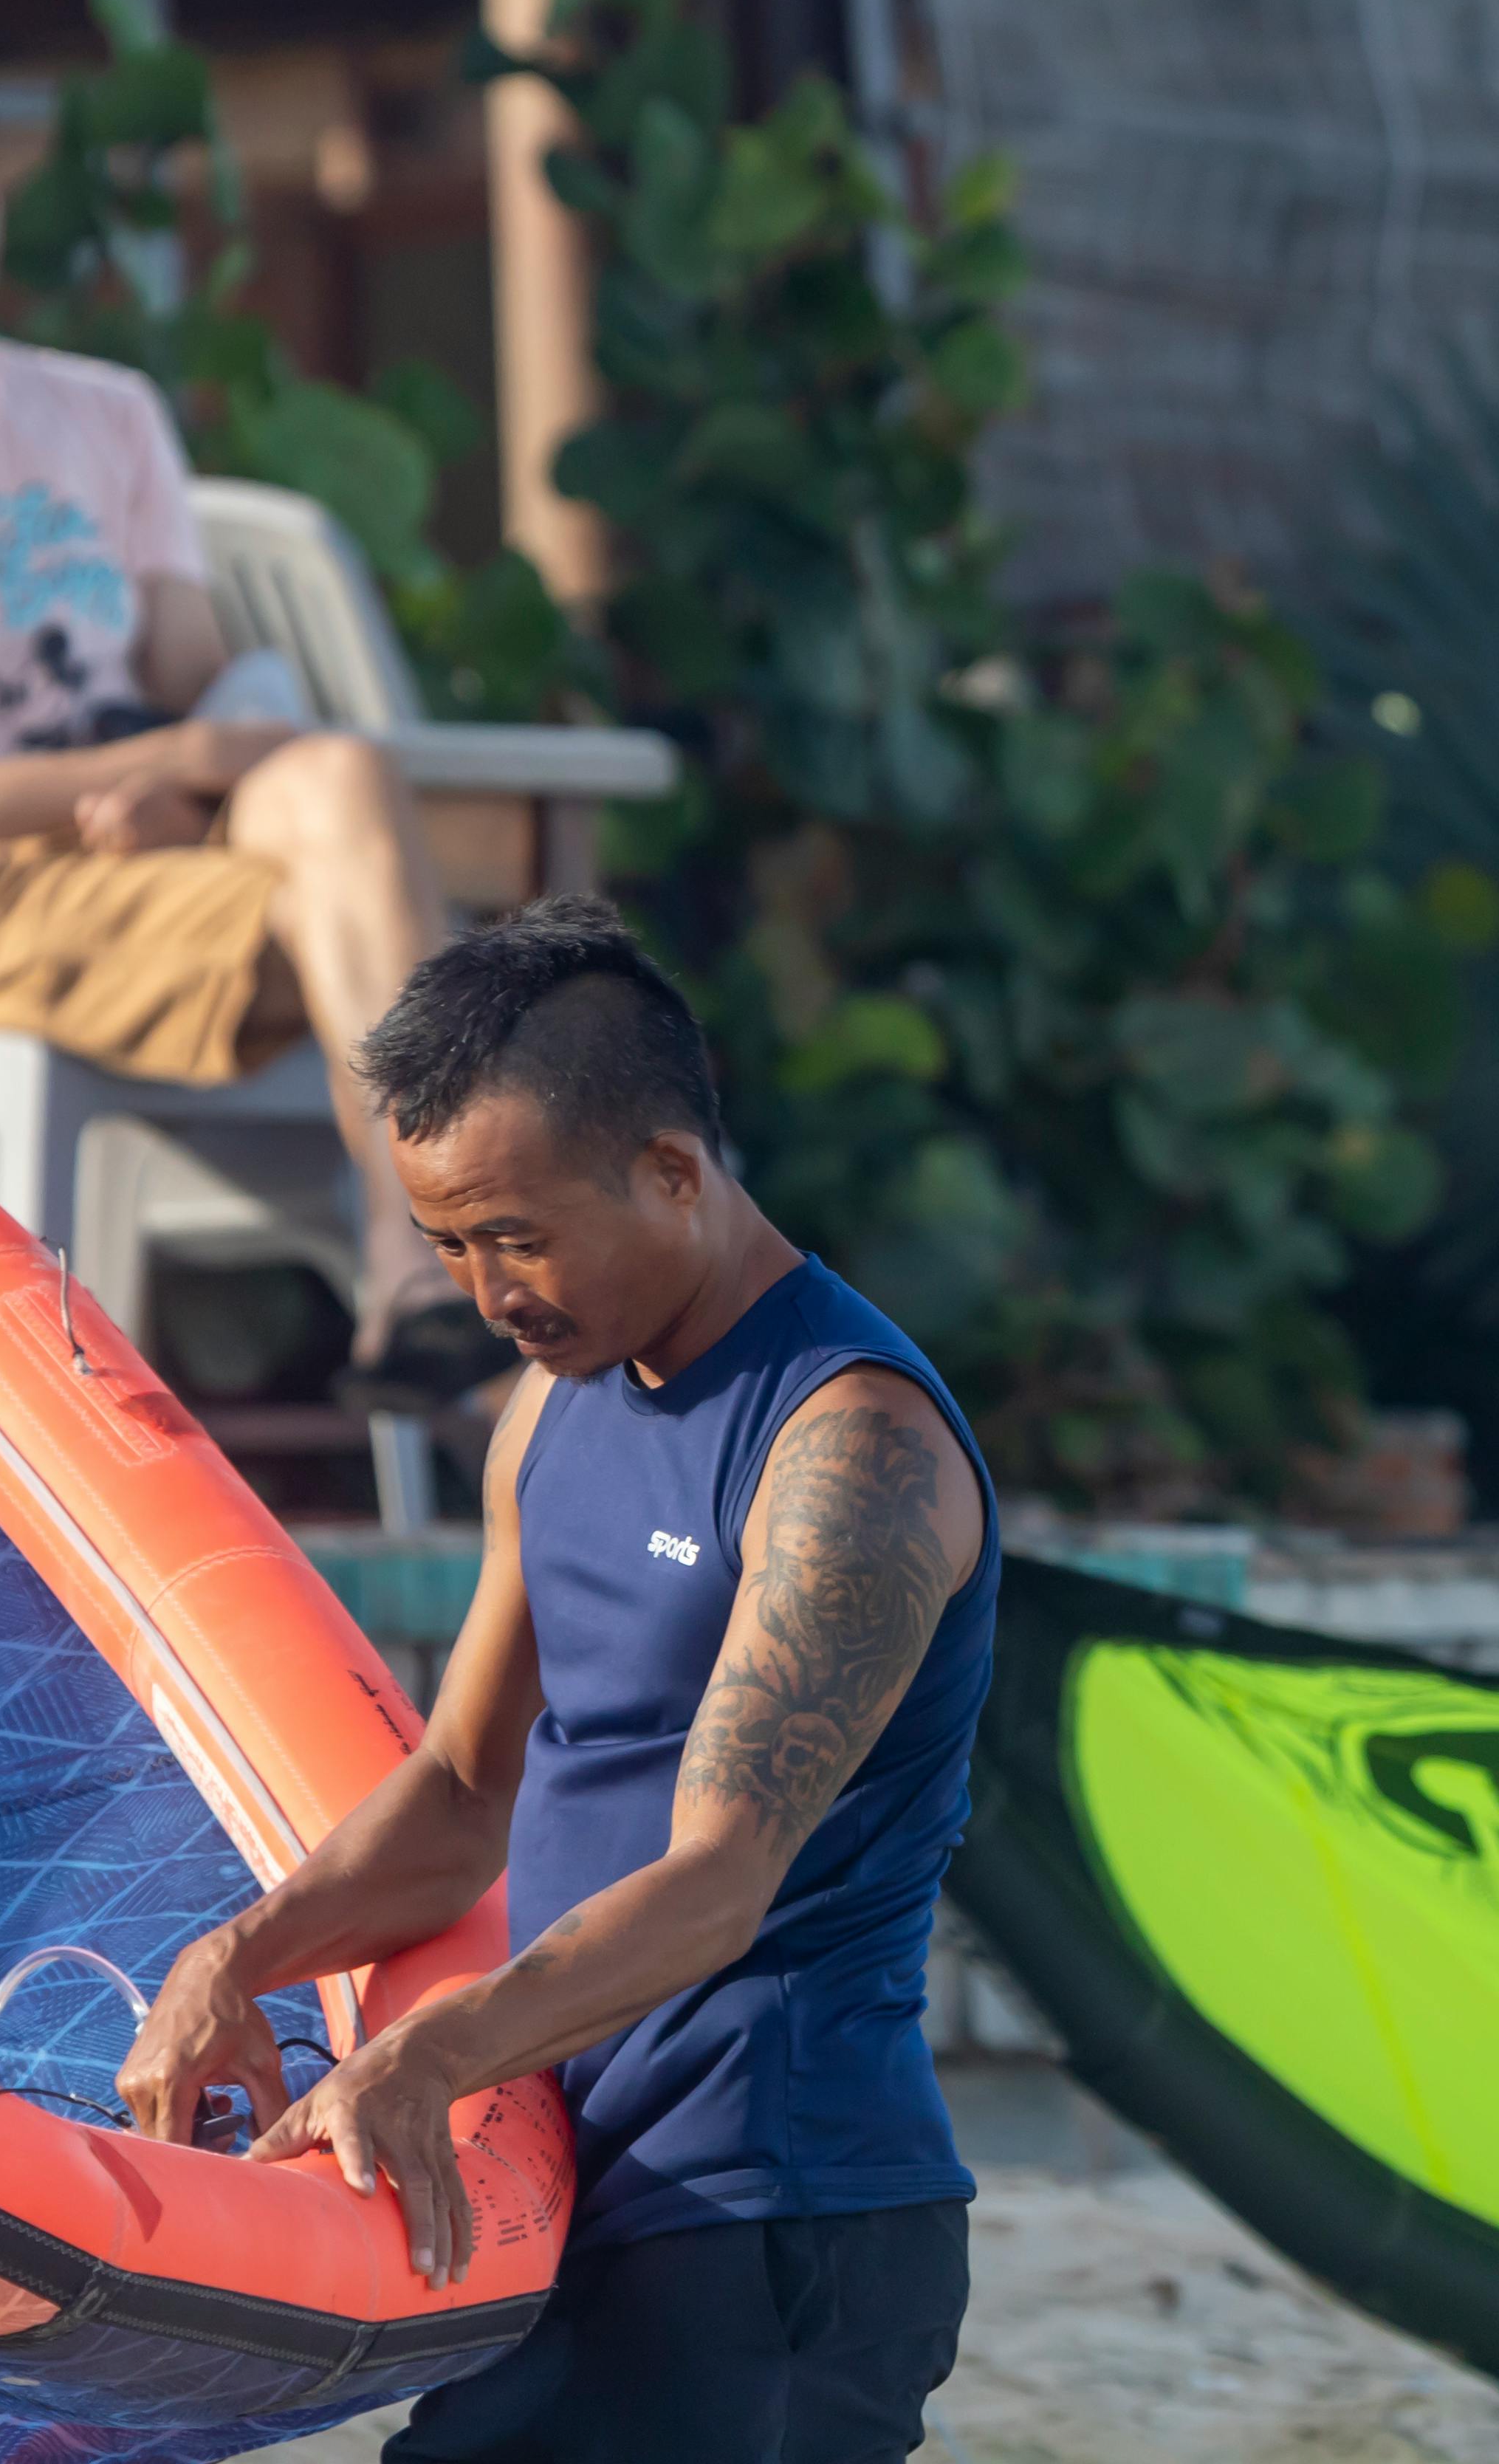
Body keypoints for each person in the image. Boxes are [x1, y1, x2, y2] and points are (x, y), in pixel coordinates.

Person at [117, 899, 995, 2463]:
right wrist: (232, 1960)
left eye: (517, 1233)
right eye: (449, 1242)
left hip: (775, 2220)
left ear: (673, 1169)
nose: (485, 1288)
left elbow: (719, 1880)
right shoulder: (559, 1402)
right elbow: (463, 1794)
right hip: (566, 2185)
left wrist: (436, 2047)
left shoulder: (847, 1447)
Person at [0, 43, 488, 1400]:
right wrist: (152, 770)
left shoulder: (102, 417)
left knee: (340, 785)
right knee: (447, 974)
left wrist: (189, 777)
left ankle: (431, 1288)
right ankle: (444, 1279)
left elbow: (201, 675)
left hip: (153, 865)